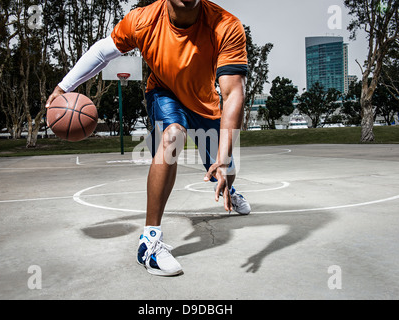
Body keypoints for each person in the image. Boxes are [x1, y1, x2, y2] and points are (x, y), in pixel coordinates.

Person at [46, 0, 251, 277]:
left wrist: (224, 157)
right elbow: (101, 52)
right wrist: (63, 87)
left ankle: (230, 190)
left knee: (225, 170)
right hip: (165, 93)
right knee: (173, 137)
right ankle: (150, 242)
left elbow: (233, 94)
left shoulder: (225, 25)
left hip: (206, 105)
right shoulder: (143, 20)